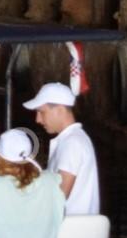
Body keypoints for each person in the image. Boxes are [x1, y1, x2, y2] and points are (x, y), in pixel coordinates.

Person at [22, 81, 100, 216]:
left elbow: (59, 196)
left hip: (71, 226)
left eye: (41, 112)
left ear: (60, 110)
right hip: (73, 224)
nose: (37, 119)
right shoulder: (73, 139)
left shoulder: (72, 143)